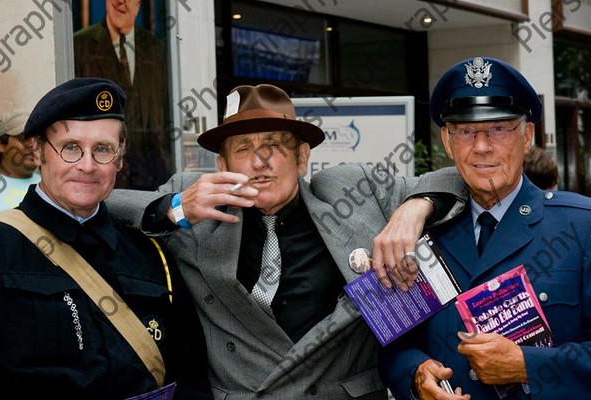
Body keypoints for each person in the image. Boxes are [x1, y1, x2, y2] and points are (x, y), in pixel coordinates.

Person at [106, 83, 468, 399]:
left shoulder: (349, 192)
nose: (260, 162)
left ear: (303, 157)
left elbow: (458, 175)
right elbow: (101, 204)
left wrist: (413, 209)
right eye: (243, 148)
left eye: (274, 145)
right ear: (222, 164)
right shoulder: (198, 204)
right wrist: (175, 209)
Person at [379, 56, 591, 400]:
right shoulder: (418, 234)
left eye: (498, 128)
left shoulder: (581, 225)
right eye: (465, 131)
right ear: (447, 142)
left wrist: (528, 365)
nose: (481, 146)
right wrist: (415, 374)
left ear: (527, 136)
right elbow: (392, 343)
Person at [0, 78, 212, 399]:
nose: (87, 165)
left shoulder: (151, 253)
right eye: (70, 148)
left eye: (103, 150)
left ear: (120, 160)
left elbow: (190, 374)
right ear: (38, 151)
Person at [74, 0, 171, 190]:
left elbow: (164, 111)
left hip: (152, 175)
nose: (120, 2)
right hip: (100, 174)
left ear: (138, 3)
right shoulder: (78, 45)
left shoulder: (156, 49)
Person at [0, 109, 41, 215]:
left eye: (37, 138)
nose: (33, 145)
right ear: (0, 144)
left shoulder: (51, 184)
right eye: (23, 137)